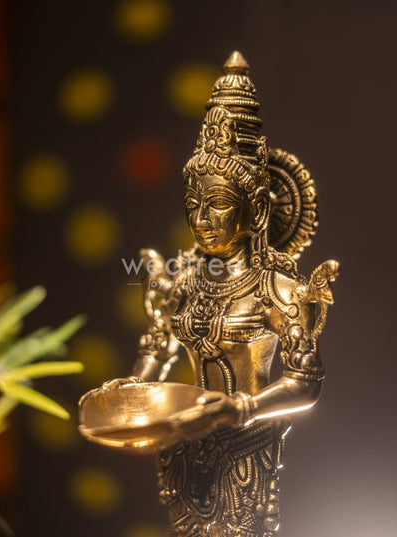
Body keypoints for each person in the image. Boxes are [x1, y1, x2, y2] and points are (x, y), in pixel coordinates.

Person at [104, 51, 338, 537]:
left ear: (256, 211)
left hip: (247, 448)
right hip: (183, 447)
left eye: (217, 204)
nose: (202, 219)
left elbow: (306, 384)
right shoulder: (187, 278)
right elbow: (159, 346)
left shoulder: (278, 289)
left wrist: (240, 409)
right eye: (194, 204)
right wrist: (133, 387)